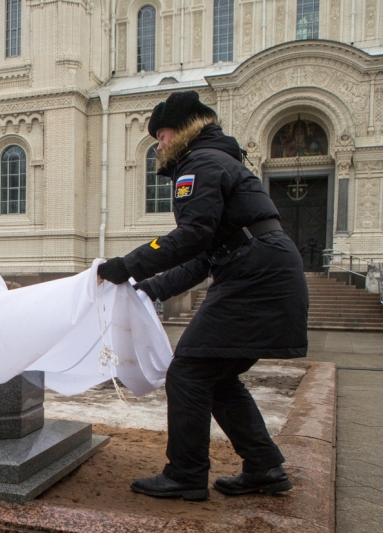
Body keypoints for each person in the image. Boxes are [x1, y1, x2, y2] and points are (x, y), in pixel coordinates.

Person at [97, 91, 308, 500]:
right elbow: (206, 254)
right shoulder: (216, 160)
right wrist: (145, 289)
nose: (159, 143)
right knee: (217, 374)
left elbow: (193, 236)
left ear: (184, 130)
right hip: (262, 270)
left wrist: (127, 265)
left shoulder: (201, 163)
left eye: (162, 134)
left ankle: (186, 474)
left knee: (189, 372)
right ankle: (263, 467)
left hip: (256, 278)